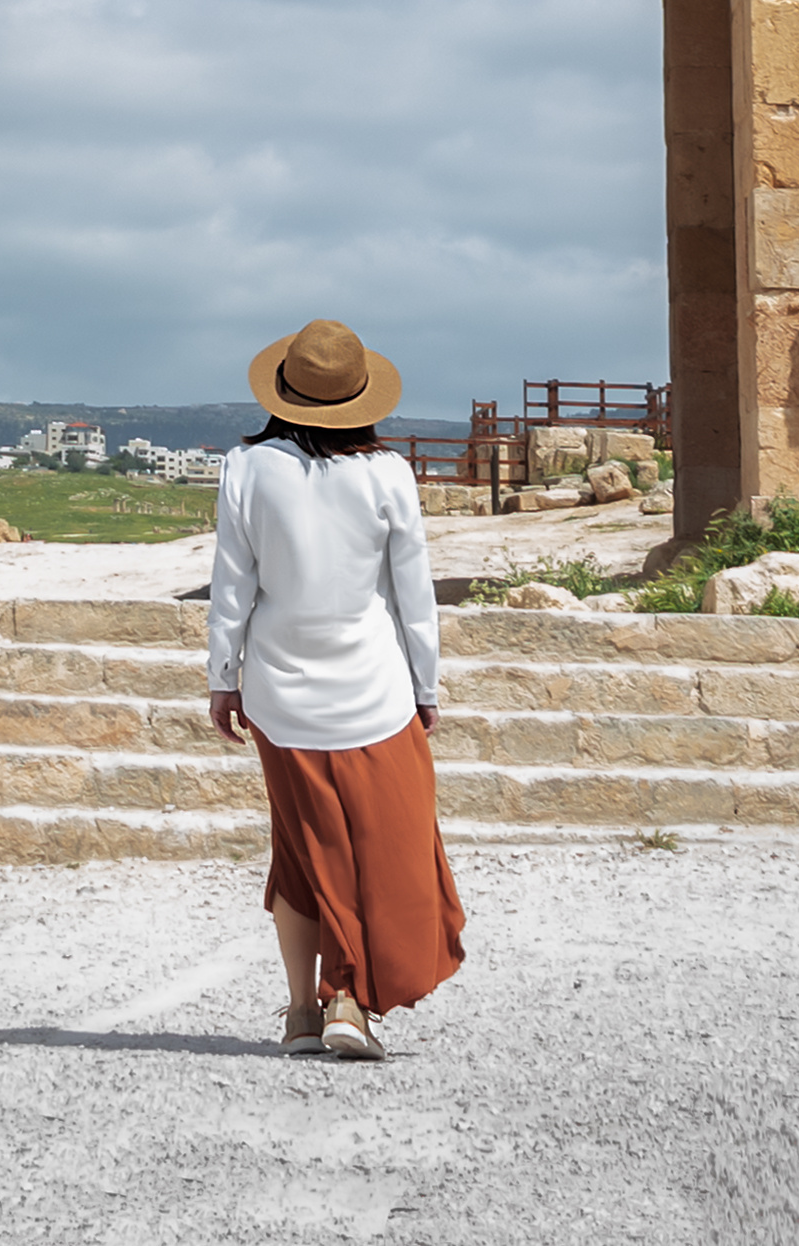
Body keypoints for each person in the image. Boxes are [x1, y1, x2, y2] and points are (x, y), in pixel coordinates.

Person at [200, 314, 465, 1059]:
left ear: (283, 393)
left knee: (299, 848)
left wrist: (224, 679)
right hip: (373, 687)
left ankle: (299, 1014)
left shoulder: (244, 469)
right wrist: (427, 685)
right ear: (361, 399)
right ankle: (346, 998)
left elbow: (231, 587)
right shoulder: (387, 474)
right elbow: (413, 593)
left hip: (279, 688)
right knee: (379, 847)